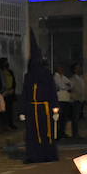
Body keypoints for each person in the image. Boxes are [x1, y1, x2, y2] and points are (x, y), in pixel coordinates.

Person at [20, 36, 58, 164]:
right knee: (32, 133)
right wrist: (22, 111)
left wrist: (55, 108)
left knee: (46, 132)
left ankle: (47, 154)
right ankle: (33, 155)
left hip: (44, 108)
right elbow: (25, 93)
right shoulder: (28, 76)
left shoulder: (46, 75)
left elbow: (52, 92)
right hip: (31, 108)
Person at [53, 65, 77, 138]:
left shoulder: (64, 77)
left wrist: (67, 87)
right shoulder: (55, 77)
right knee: (59, 117)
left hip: (66, 99)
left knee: (64, 117)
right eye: (60, 68)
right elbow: (61, 86)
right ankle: (57, 133)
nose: (62, 69)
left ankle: (62, 132)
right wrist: (67, 87)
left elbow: (72, 85)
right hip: (59, 99)